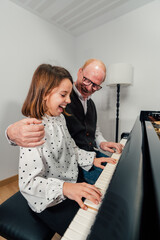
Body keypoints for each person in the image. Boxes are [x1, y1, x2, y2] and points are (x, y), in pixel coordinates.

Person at [17, 64, 116, 235]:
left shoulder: (59, 118)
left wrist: (92, 159)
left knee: (102, 210)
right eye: (63, 95)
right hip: (48, 199)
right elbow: (28, 184)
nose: (69, 100)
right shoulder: (32, 130)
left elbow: (72, 149)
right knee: (89, 231)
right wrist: (65, 188)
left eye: (69, 95)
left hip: (69, 184)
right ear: (44, 93)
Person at [6, 59, 123, 184]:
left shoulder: (89, 105)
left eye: (95, 85)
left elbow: (93, 131)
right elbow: (32, 122)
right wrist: (10, 132)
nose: (89, 88)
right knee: (114, 182)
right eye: (87, 80)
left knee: (119, 170)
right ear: (80, 72)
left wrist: (102, 143)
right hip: (71, 168)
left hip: (86, 156)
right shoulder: (59, 102)